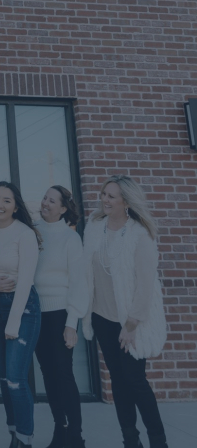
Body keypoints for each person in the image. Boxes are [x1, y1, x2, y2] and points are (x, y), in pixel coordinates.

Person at [82, 175, 168, 448]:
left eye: (111, 196)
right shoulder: (94, 227)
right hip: (102, 318)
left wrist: (131, 325)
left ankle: (159, 442)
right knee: (117, 382)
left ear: (126, 202)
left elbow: (145, 285)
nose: (104, 199)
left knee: (135, 381)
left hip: (128, 321)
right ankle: (130, 440)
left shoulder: (139, 234)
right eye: (104, 194)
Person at [0, 181, 41, 448]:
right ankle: (14, 435)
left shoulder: (24, 233)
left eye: (6, 200)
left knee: (16, 379)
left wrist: (14, 323)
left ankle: (25, 441)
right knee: (4, 378)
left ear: (15, 207)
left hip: (22, 308)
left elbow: (26, 280)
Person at [33, 186, 89, 448]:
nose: (45, 203)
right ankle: (60, 429)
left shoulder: (70, 238)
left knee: (64, 374)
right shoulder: (31, 231)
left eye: (52, 200)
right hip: (35, 314)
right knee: (47, 374)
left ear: (63, 208)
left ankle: (76, 436)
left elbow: (79, 283)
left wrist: (71, 324)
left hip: (60, 314)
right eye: (45, 198)